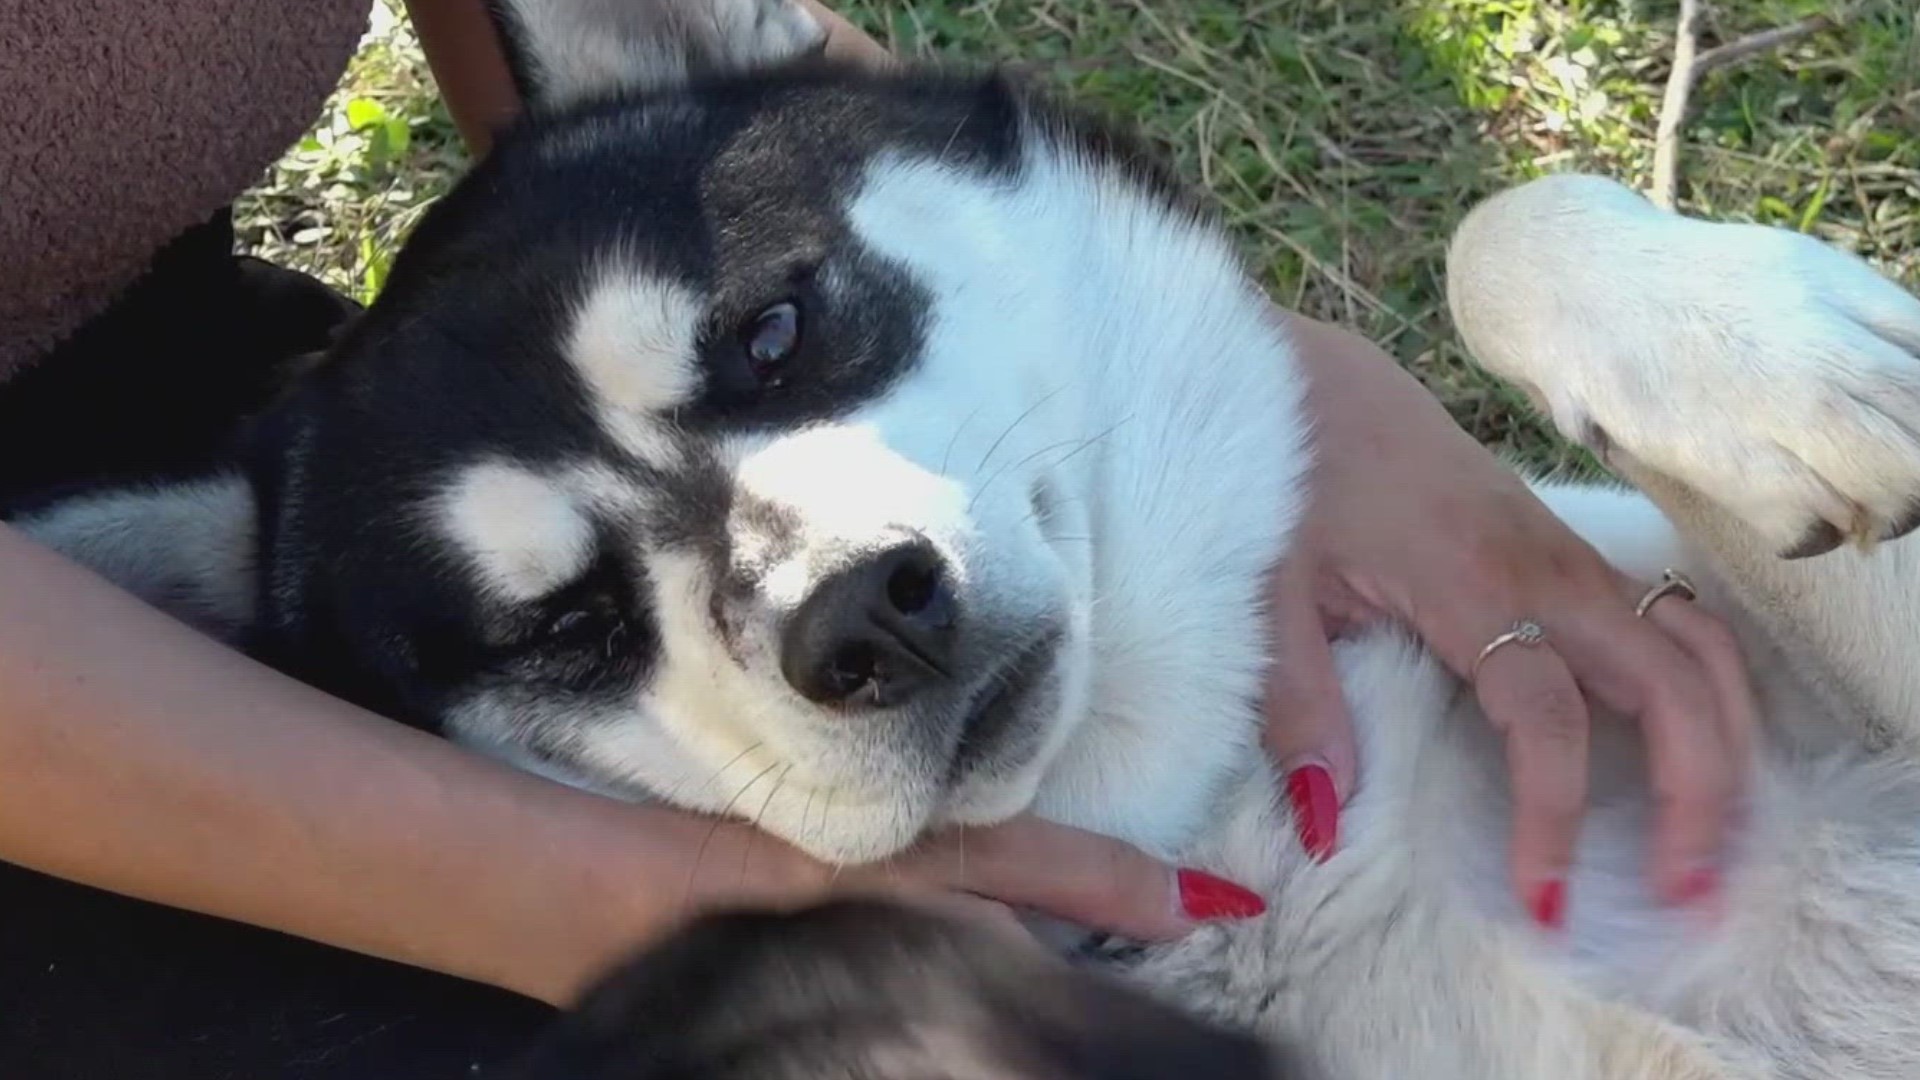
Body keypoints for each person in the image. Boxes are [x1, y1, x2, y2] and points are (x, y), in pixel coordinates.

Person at [0, 0, 1754, 1066]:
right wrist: (643, 913)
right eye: (582, 627)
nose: (832, 596)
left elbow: (683, 125)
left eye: (775, 344)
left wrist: (1307, 349)